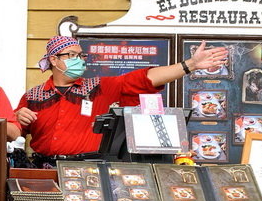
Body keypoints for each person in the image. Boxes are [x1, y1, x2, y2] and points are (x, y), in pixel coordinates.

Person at [15, 35, 228, 167]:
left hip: (87, 171)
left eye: (82, 56)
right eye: (72, 55)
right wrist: (17, 117)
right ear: (54, 59)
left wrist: (190, 64)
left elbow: (147, 78)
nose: (79, 60)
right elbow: (13, 132)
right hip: (44, 172)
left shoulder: (100, 87)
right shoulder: (33, 96)